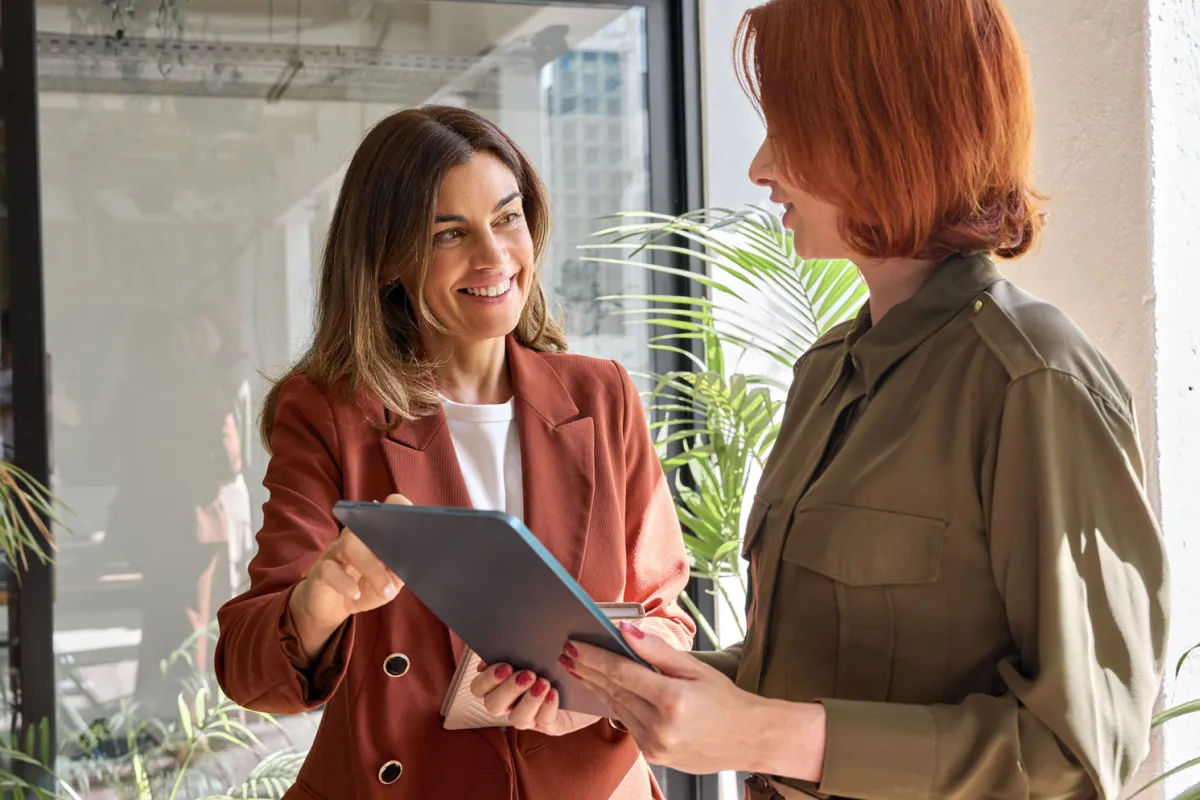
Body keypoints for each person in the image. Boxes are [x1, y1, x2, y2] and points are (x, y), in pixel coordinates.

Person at [566, 2, 1168, 799]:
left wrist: (758, 733)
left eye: (790, 128)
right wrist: (617, 682)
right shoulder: (825, 374)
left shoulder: (1033, 381)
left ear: (885, 130)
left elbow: (1075, 751)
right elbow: (822, 666)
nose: (759, 167)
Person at [214, 105, 695, 800]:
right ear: (387, 259)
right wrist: (320, 603)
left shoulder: (601, 395)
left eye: (507, 218)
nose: (495, 257)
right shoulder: (331, 413)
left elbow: (665, 616)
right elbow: (246, 668)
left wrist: (590, 698)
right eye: (449, 234)